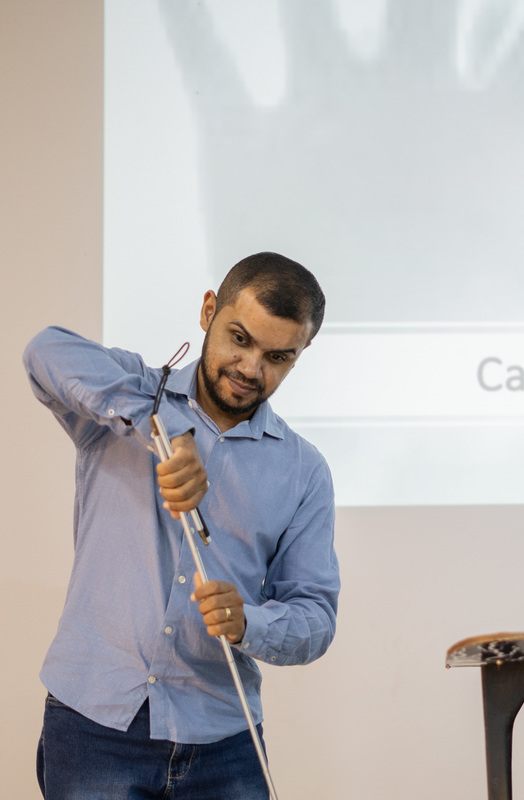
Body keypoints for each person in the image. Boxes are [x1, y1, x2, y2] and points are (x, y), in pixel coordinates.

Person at [24, 252, 339, 799]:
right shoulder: (130, 392)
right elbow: (44, 351)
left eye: (277, 356)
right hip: (95, 728)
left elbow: (315, 617)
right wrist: (167, 427)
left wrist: (249, 623)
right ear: (208, 310)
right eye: (239, 339)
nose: (249, 369)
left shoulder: (304, 471)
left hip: (224, 741)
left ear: (301, 354)